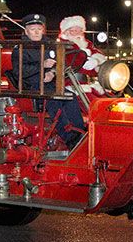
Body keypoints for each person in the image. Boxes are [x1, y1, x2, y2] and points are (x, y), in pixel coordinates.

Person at [11, 14, 85, 149]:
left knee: (70, 97)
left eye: (39, 29)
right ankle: (69, 137)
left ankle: (80, 133)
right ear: (26, 31)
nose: (36, 32)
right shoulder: (20, 48)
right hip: (31, 85)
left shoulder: (50, 45)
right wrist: (42, 65)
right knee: (54, 99)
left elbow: (58, 65)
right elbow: (19, 71)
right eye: (33, 29)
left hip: (49, 83)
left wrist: (52, 73)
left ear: (43, 30)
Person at [58, 15, 107, 102]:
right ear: (66, 32)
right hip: (72, 85)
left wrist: (96, 60)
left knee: (109, 100)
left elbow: (97, 53)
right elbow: (75, 62)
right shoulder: (63, 45)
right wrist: (86, 58)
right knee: (95, 105)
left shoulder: (87, 43)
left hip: (89, 84)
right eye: (72, 31)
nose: (76, 33)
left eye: (78, 30)